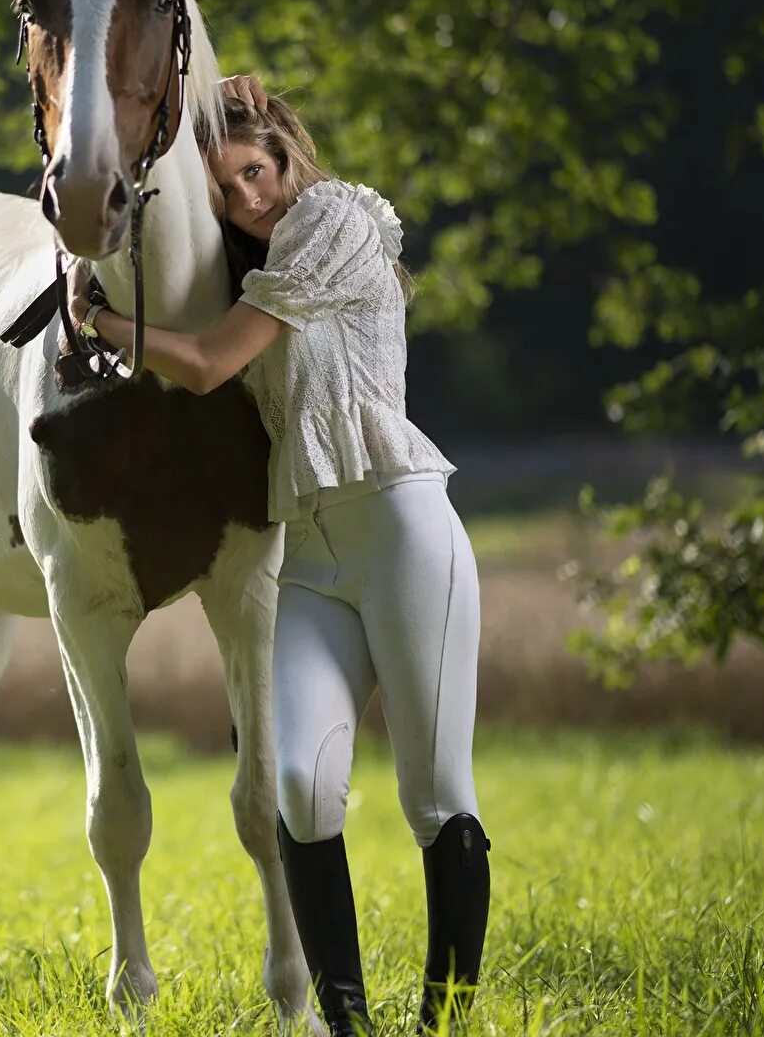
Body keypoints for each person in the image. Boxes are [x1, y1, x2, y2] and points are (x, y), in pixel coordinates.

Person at [76, 77, 490, 1035]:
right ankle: (348, 1027)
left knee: (435, 798)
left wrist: (92, 318)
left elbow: (212, 361)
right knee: (299, 786)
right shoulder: (252, 263)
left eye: (255, 171)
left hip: (401, 529)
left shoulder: (334, 219)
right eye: (225, 190)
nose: (247, 200)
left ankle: (447, 1024)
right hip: (308, 548)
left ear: (290, 153)